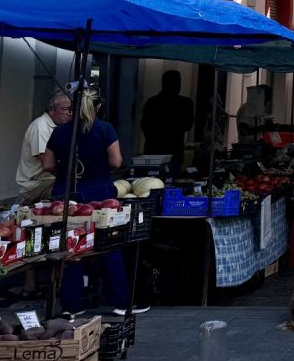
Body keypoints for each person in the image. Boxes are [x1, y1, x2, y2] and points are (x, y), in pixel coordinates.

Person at [40, 86, 132, 314]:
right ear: (98, 107)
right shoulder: (104, 129)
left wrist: (67, 174)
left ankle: (71, 305)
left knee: (71, 246)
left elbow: (48, 165)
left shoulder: (60, 131)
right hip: (99, 192)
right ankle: (119, 301)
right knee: (109, 244)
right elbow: (116, 162)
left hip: (66, 193)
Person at [16, 90, 70, 200]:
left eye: (71, 109)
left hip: (48, 181)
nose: (69, 113)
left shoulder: (59, 127)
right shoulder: (40, 126)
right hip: (36, 185)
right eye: (65, 109)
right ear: (51, 111)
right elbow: (47, 163)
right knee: (71, 191)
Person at [139, 71, 194, 169]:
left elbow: (145, 126)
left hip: (154, 151)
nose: (179, 85)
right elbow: (188, 125)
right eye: (177, 82)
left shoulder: (152, 102)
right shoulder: (185, 103)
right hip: (172, 152)